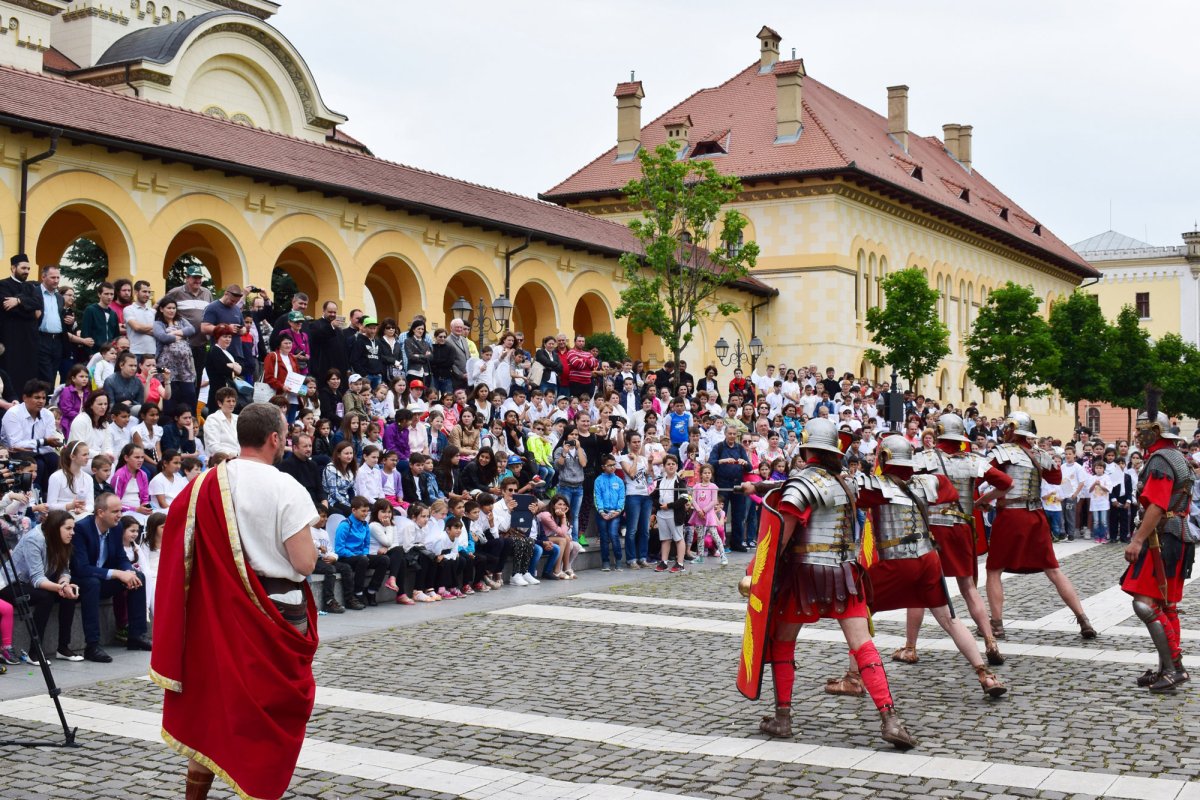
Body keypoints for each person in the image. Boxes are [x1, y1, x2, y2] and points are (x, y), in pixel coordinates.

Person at [152, 402, 319, 800]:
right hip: (277, 610)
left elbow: (178, 550)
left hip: (218, 612)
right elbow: (304, 561)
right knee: (273, 713)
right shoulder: (285, 486)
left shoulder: (203, 484)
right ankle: (261, 787)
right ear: (275, 438)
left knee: (211, 706)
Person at [738, 417, 916, 748]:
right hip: (844, 574)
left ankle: (783, 718)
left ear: (806, 449)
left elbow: (781, 536)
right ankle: (890, 719)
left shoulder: (800, 484)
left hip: (804, 575)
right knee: (862, 645)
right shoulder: (845, 483)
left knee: (783, 642)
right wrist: (761, 487)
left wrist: (757, 573)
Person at [850, 435, 1007, 698]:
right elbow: (951, 492)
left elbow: (850, 497)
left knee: (857, 612)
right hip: (928, 559)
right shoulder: (930, 482)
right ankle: (985, 675)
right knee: (949, 619)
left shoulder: (874, 487)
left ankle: (853, 677)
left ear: (885, 458)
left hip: (898, 560)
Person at [902, 413, 1012, 666]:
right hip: (961, 527)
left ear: (939, 432)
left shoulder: (924, 458)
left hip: (932, 529)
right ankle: (989, 641)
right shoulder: (974, 461)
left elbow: (904, 483)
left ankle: (910, 647)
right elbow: (1006, 482)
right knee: (969, 588)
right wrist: (983, 501)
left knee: (918, 588)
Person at [985, 412, 1094, 641]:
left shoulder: (1001, 453)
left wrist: (981, 501)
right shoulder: (1041, 455)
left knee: (994, 570)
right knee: (1053, 570)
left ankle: (996, 625)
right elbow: (1055, 479)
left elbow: (986, 477)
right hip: (1035, 515)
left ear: (1012, 429)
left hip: (1010, 516)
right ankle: (1083, 619)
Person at [1123, 409, 1193, 693]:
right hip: (1175, 535)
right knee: (1166, 605)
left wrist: (1137, 540)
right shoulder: (1177, 456)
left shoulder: (1161, 459)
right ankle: (1167, 667)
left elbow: (1157, 505)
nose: (1138, 436)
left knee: (1145, 604)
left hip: (1162, 538)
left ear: (1154, 430)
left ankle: (1175, 668)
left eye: (1141, 431)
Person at [70, 492, 150, 662]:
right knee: (92, 583)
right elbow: (81, 568)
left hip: (103, 579)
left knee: (138, 577)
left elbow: (121, 558)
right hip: (80, 580)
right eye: (115, 511)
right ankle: (92, 645)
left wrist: (128, 571)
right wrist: (117, 573)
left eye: (120, 511)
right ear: (100, 513)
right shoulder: (82, 529)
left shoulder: (117, 527)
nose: (120, 515)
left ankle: (136, 636)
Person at [3, 510, 80, 662]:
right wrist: (60, 588)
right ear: (55, 527)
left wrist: (64, 585)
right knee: (46, 597)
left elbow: (65, 571)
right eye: (68, 528)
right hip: (10, 585)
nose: (73, 532)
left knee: (68, 595)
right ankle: (34, 652)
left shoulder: (62, 540)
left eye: (73, 528)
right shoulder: (34, 539)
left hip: (31, 584)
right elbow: (37, 579)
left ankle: (63, 647)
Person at [1, 379, 63, 495]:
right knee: (37, 464)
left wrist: (42, 443)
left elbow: (50, 443)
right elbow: (15, 444)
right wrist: (43, 441)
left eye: (43, 398)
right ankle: (32, 495)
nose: (41, 401)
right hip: (13, 453)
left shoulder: (48, 414)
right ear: (25, 398)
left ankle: (50, 495)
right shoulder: (13, 413)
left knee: (55, 459)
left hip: (38, 451)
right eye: (37, 397)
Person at [161, 265, 214, 391]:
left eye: (199, 278)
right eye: (194, 277)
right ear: (187, 278)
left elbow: (211, 312)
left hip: (201, 343)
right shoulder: (176, 292)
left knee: (197, 377)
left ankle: (193, 408)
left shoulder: (207, 293)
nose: (197, 280)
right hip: (182, 343)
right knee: (182, 377)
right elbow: (161, 306)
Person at [0, 254, 44, 392]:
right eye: (23, 268)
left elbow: (39, 303)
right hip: (10, 338)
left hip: (29, 339)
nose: (26, 271)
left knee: (29, 374)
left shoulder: (31, 287)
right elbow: (8, 309)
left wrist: (18, 301)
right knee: (11, 372)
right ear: (13, 268)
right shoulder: (3, 284)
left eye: (28, 268)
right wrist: (30, 310)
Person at [708, 424, 751, 552]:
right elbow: (710, 463)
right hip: (723, 484)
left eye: (734, 434)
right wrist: (723, 461)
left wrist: (745, 463)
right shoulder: (719, 447)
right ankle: (719, 543)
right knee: (721, 513)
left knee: (739, 514)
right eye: (730, 433)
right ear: (725, 434)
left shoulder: (740, 448)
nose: (732, 436)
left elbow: (749, 467)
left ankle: (737, 543)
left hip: (738, 484)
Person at [35, 264, 68, 386]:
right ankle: (45, 401)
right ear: (43, 277)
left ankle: (48, 401)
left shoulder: (59, 297)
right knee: (45, 374)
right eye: (53, 277)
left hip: (58, 340)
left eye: (58, 277)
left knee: (53, 373)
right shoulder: (35, 292)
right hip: (41, 338)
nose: (56, 280)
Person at [279, 433, 326, 509]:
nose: (309, 449)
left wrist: (324, 502)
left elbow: (320, 490)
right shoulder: (286, 465)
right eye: (305, 446)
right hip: (301, 506)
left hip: (317, 504)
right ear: (295, 448)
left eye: (310, 446)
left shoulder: (313, 464)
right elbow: (292, 495)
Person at [81, 282, 120, 355]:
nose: (109, 297)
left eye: (111, 294)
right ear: (99, 294)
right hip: (95, 352)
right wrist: (90, 353)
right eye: (106, 294)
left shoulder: (113, 314)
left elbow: (116, 336)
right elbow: (85, 333)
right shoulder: (90, 310)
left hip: (110, 353)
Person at [202, 386, 240, 459]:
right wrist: (233, 455)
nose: (232, 404)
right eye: (228, 401)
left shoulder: (238, 418)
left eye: (233, 401)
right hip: (219, 461)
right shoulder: (212, 419)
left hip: (238, 459)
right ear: (219, 403)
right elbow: (213, 446)